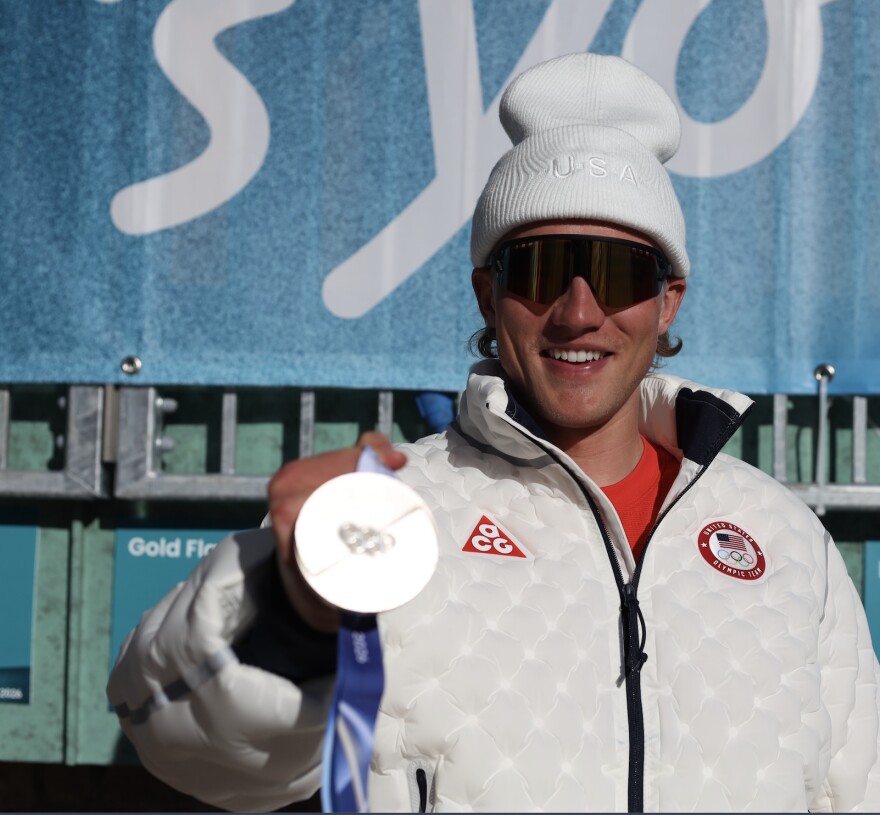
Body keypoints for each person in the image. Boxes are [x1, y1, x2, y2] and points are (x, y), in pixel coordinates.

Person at [107, 53, 880, 812]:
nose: (579, 313)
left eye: (615, 273)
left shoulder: (781, 538)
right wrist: (294, 608)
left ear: (666, 300)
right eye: (543, 270)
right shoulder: (388, 512)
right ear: (489, 292)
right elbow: (190, 749)